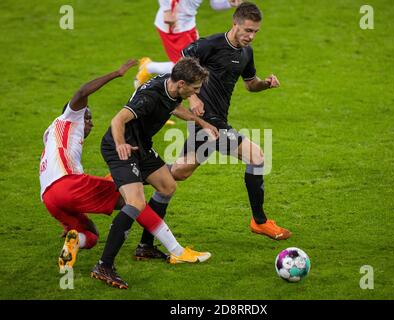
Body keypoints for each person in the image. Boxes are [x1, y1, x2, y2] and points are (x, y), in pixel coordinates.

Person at [135, 3, 290, 257]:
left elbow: (250, 84)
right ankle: (259, 221)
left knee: (178, 173)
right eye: (247, 30)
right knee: (257, 157)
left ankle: (131, 194)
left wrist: (266, 84)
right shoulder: (210, 45)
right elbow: (179, 68)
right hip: (210, 124)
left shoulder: (246, 53)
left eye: (255, 32)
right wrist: (192, 99)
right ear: (235, 23)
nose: (250, 36)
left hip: (211, 124)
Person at [90, 57, 220, 289]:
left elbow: (174, 107)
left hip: (142, 146)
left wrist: (200, 122)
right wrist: (120, 144)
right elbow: (118, 119)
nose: (197, 93)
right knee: (136, 203)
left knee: (168, 186)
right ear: (181, 83)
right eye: (195, 88)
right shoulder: (148, 97)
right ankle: (104, 265)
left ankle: (145, 246)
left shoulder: (170, 89)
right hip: (123, 148)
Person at [39, 60, 137, 271]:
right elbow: (83, 91)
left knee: (91, 235)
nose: (90, 123)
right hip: (66, 185)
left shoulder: (52, 133)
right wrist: (117, 73)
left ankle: (73, 243)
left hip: (49, 199)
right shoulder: (70, 118)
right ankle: (161, 245)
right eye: (88, 118)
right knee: (130, 193)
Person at [134, 0, 244, 88]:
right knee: (187, 67)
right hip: (173, 26)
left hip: (188, 25)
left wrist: (229, 3)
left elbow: (215, 4)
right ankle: (149, 68)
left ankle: (148, 67)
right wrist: (166, 11)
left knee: (194, 64)